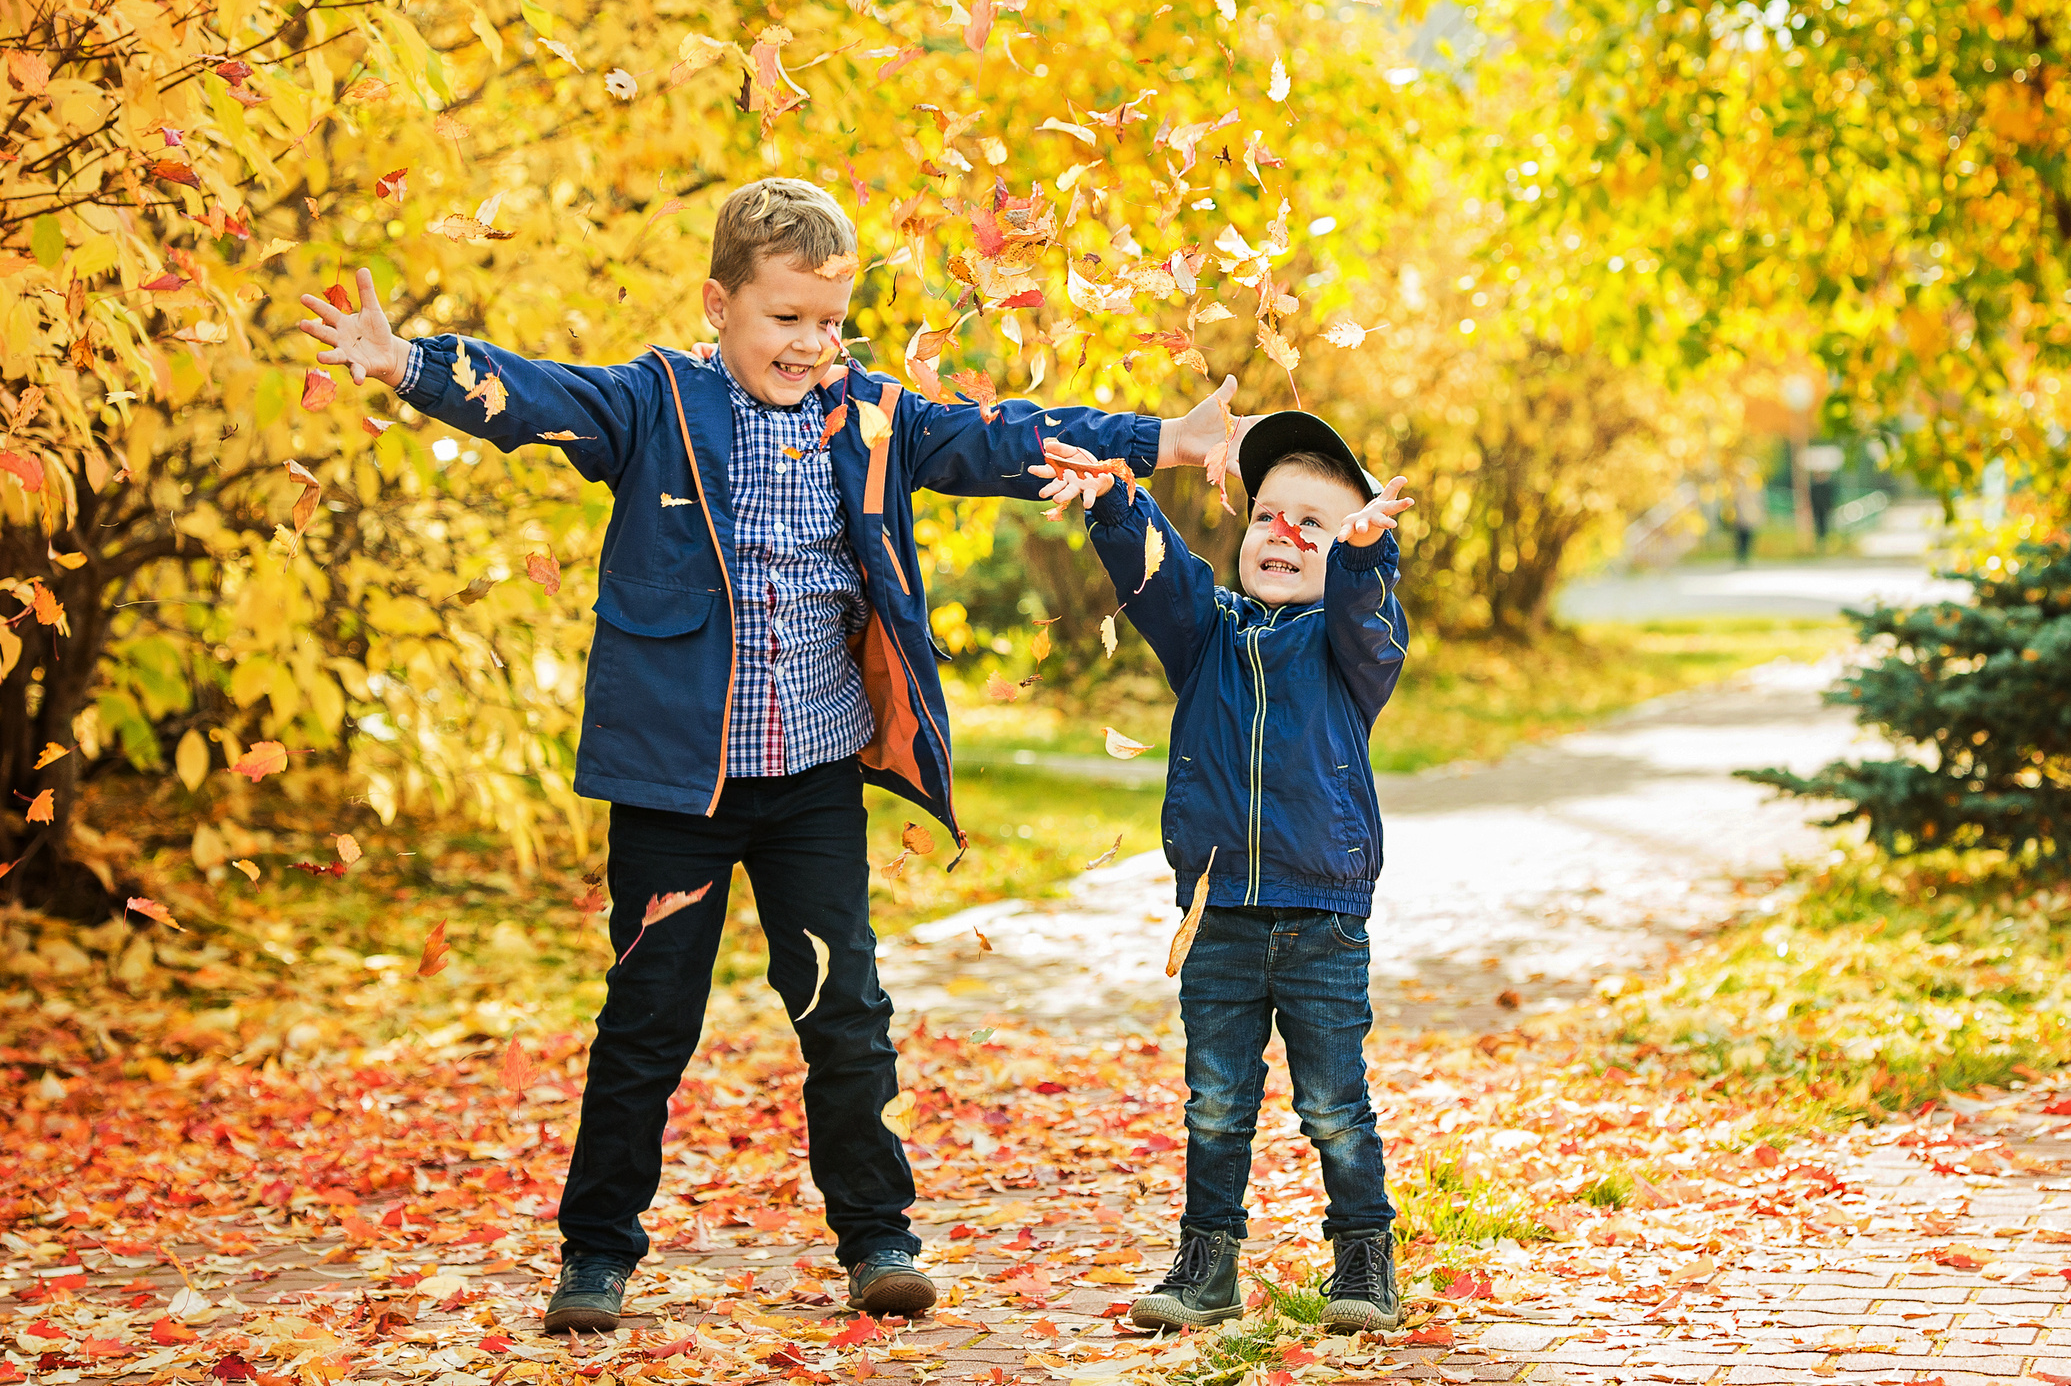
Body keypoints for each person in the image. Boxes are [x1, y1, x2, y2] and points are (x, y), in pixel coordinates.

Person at [298, 178, 1251, 1334]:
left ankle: (878, 1239)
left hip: (809, 783)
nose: (809, 344)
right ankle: (595, 1256)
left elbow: (1000, 438)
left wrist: (1162, 438)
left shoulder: (870, 416)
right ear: (720, 305)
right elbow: (535, 396)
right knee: (647, 1023)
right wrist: (409, 365)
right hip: (675, 791)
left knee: (842, 1010)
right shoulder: (656, 406)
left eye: (827, 320)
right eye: (784, 319)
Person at [1036, 411, 1414, 1335]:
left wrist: (1364, 557)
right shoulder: (1207, 637)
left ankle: (1363, 1260)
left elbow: (1368, 611)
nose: (1281, 535)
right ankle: (1206, 1266)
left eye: (1312, 525)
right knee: (1216, 1106)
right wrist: (1120, 502)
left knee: (1333, 1105)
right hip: (1218, 919)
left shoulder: (1349, 649)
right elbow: (1159, 579)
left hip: (1321, 917)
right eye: (1265, 516)